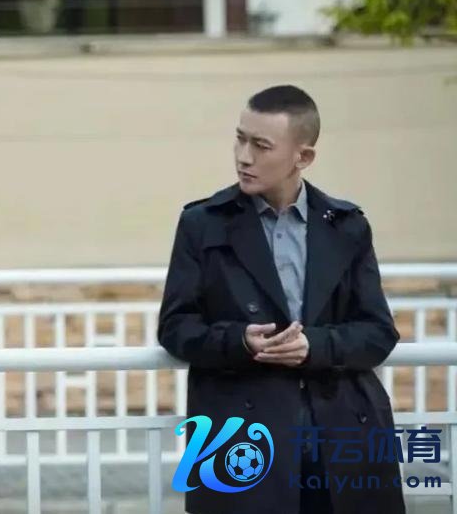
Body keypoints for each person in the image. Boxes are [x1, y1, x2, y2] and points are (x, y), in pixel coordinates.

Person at [158, 85, 404, 514]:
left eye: (261, 145)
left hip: (340, 432)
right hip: (240, 436)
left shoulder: (346, 226)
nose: (243, 156)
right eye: (240, 139)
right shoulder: (203, 223)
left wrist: (314, 346)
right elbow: (176, 327)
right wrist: (240, 341)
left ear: (302, 157)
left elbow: (378, 332)